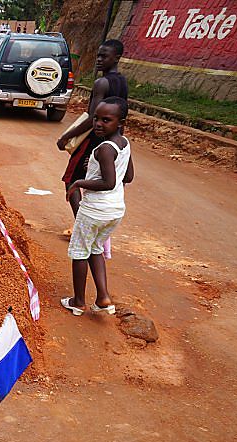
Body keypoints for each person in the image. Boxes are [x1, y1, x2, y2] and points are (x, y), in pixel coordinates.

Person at [61, 97, 134, 317]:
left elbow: (108, 182)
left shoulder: (104, 149)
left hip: (95, 210)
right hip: (114, 211)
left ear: (120, 122)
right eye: (96, 118)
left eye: (106, 120)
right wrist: (96, 168)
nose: (98, 124)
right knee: (95, 249)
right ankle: (103, 297)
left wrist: (79, 182)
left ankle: (78, 301)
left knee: (80, 252)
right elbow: (127, 176)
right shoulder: (124, 143)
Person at [57, 39, 128, 216]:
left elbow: (91, 118)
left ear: (117, 58)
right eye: (98, 56)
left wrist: (66, 136)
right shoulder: (122, 82)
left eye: (104, 56)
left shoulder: (101, 83)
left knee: (72, 179)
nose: (99, 60)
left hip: (94, 141)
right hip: (112, 139)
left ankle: (81, 221)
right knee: (100, 179)